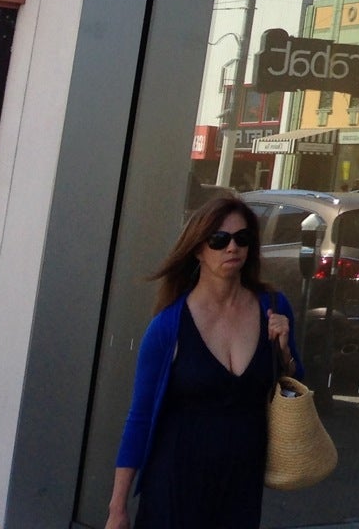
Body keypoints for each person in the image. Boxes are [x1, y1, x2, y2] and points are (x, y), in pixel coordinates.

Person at [109, 192, 299, 529]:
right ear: (198, 248)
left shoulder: (274, 307)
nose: (232, 248)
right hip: (175, 483)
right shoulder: (169, 326)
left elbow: (293, 387)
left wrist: (284, 352)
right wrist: (117, 509)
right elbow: (139, 418)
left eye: (242, 239)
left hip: (241, 482)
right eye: (219, 239)